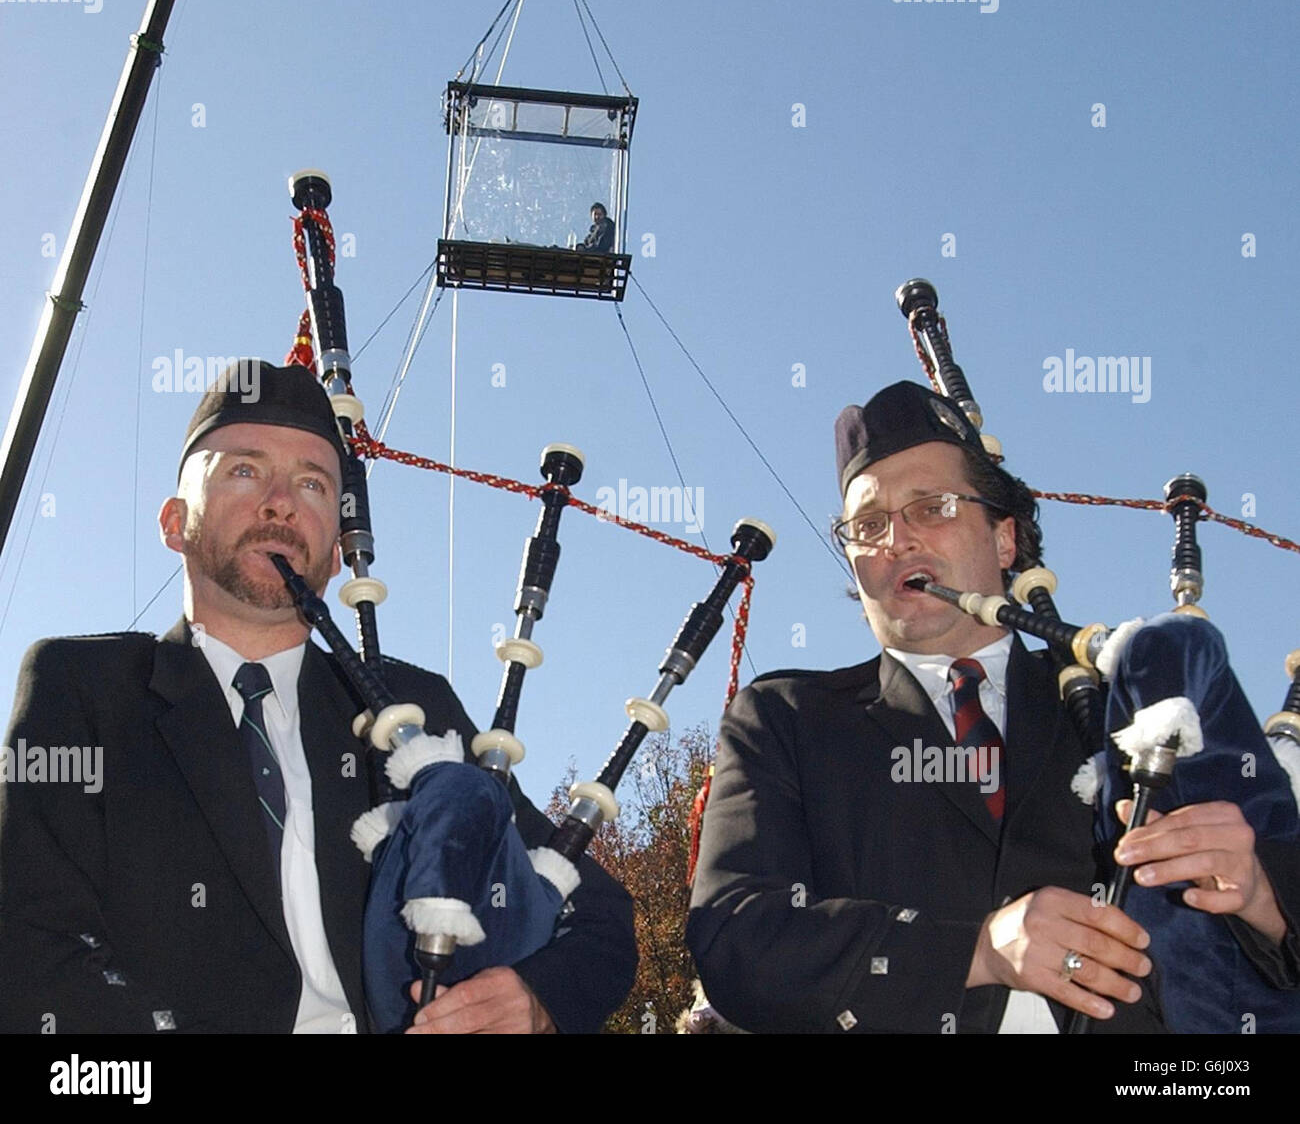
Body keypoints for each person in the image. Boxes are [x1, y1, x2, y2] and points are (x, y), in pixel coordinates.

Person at [0, 359, 637, 1034]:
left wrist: (535, 999)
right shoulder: (86, 688)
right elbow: (32, 943)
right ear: (173, 521)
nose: (280, 502)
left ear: (336, 552)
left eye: (312, 483)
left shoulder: (415, 708)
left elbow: (592, 913)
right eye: (244, 471)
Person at [686, 379, 1299, 1033]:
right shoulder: (788, 717)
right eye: (867, 525)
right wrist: (975, 951)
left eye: (932, 507)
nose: (895, 540)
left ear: (1005, 540)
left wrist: (1262, 893)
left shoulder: (1125, 696)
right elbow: (736, 935)